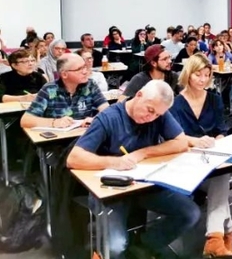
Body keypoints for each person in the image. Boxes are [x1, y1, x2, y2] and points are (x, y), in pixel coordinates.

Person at [67, 81, 200, 259]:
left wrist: (143, 152)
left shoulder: (159, 112)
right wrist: (115, 162)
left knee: (190, 214)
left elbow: (181, 142)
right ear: (138, 95)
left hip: (143, 185)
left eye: (157, 114)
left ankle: (143, 244)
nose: (151, 117)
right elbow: (73, 158)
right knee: (116, 245)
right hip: (110, 190)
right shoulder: (108, 117)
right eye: (150, 110)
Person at [169, 55, 232, 257]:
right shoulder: (176, 103)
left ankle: (214, 238)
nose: (203, 79)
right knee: (221, 183)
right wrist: (195, 141)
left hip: (211, 159)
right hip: (186, 163)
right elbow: (174, 135)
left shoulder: (214, 99)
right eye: (198, 74)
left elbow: (221, 128)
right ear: (188, 74)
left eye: (207, 75)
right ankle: (228, 232)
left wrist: (218, 139)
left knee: (221, 175)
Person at [21, 54, 108, 128]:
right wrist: (54, 122)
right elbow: (26, 120)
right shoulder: (49, 89)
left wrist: (95, 119)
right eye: (79, 69)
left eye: (85, 67)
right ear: (64, 74)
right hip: (57, 141)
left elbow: (106, 110)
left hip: (83, 137)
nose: (85, 71)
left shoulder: (90, 85)